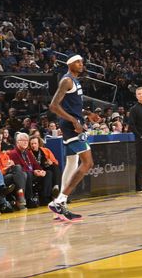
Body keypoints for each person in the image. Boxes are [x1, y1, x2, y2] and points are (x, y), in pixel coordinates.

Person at [47, 55, 98, 222]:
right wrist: (74, 121)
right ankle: (60, 201)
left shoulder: (75, 81)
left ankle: (60, 206)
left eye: (82, 62)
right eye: (77, 62)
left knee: (71, 164)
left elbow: (72, 106)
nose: (81, 64)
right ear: (69, 64)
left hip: (73, 125)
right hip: (71, 127)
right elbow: (53, 106)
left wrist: (86, 114)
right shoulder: (67, 81)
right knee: (88, 163)